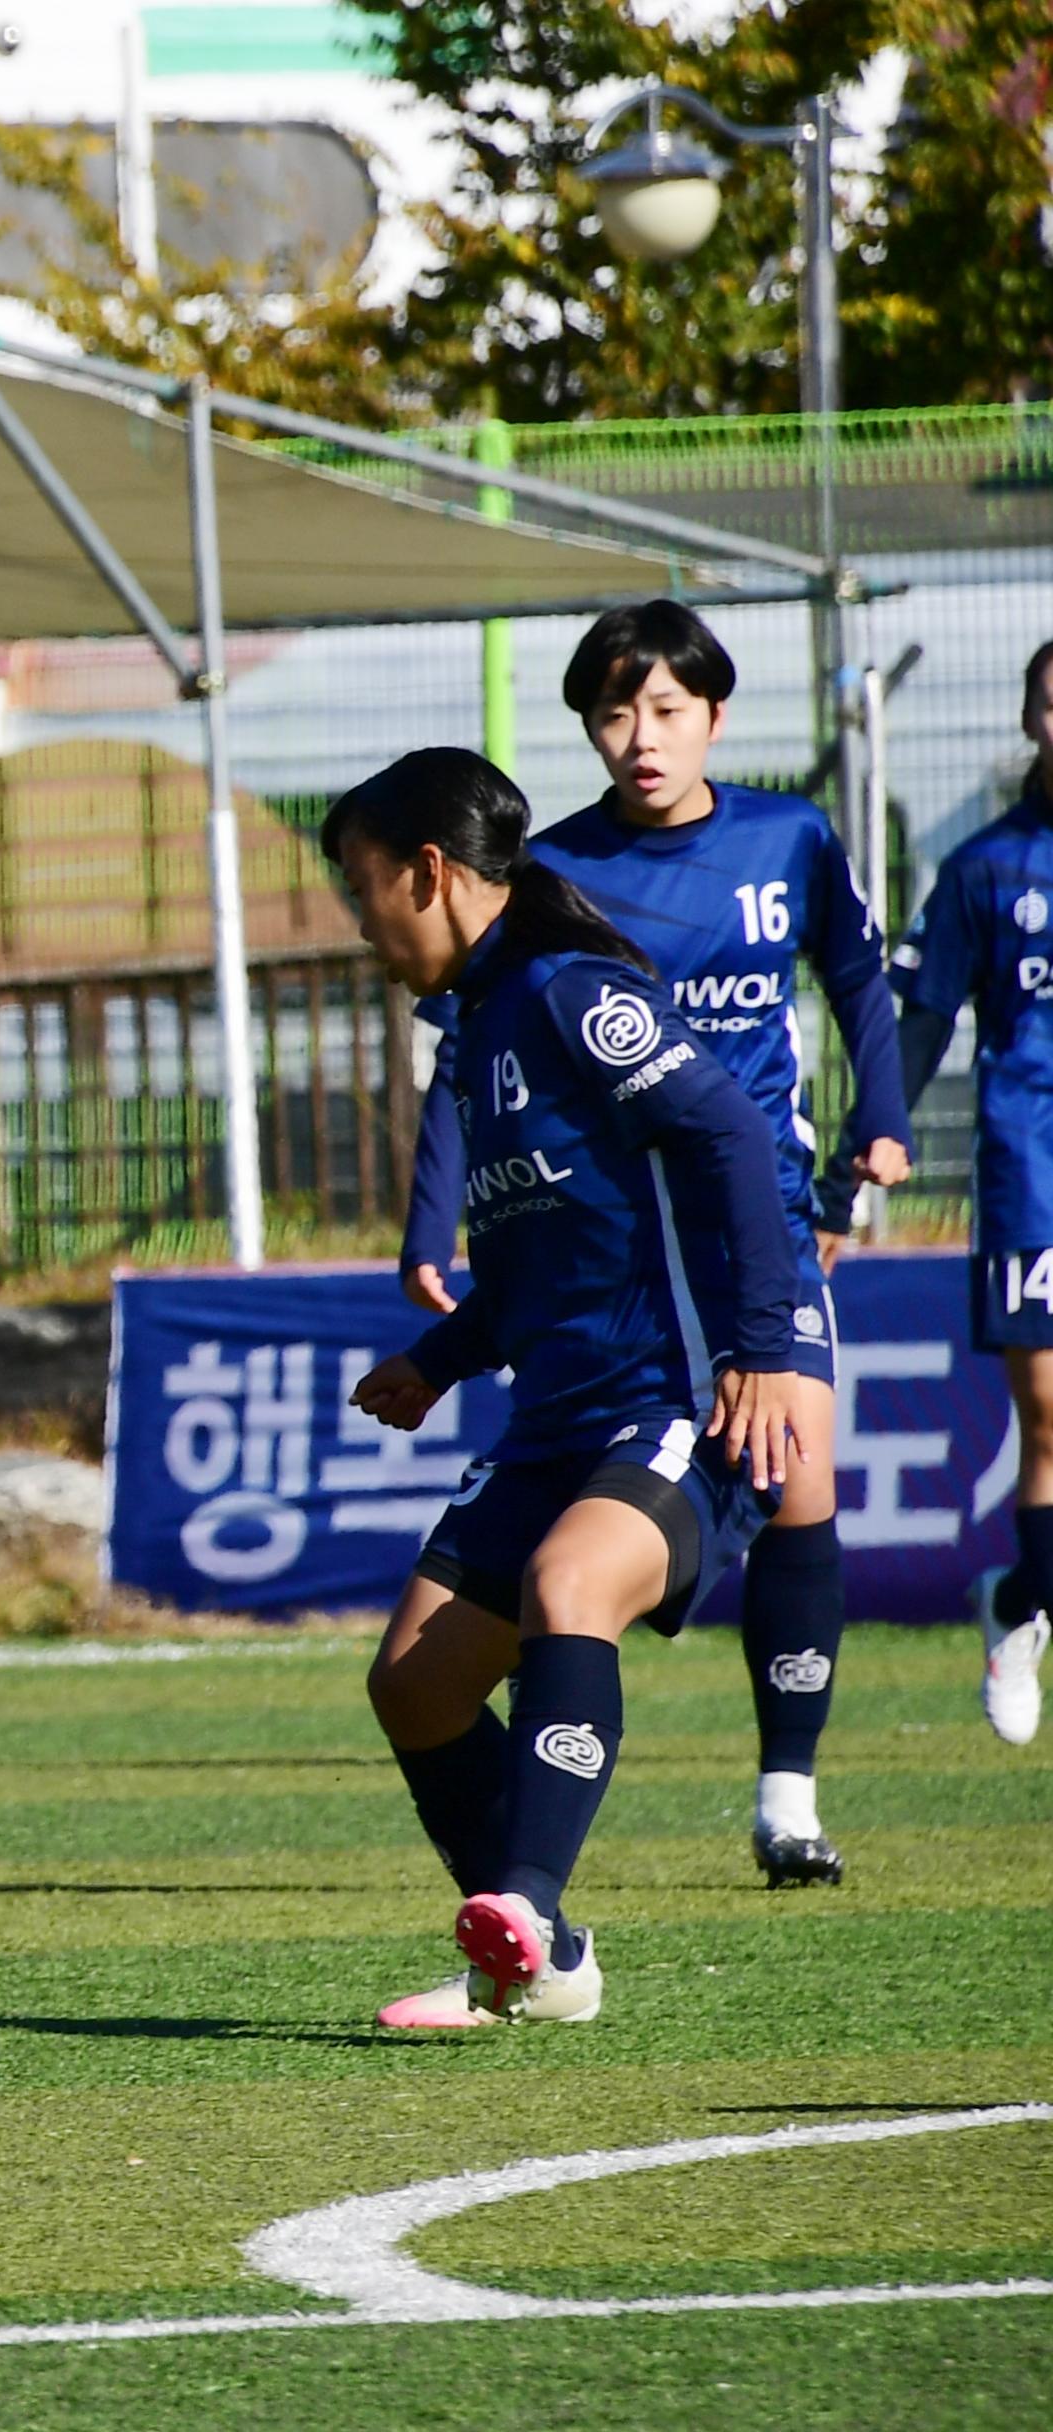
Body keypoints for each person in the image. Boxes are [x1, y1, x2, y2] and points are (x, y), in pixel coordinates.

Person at [397, 602, 908, 1886]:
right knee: (460, 1644)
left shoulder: (787, 835)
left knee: (798, 1479)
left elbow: (854, 979)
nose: (641, 736)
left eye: (667, 709)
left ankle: (785, 1790)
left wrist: (881, 1129)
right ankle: (527, 1900)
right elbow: (471, 1068)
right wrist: (442, 1254)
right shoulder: (551, 885)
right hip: (624, 1247)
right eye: (614, 712)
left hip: (761, 1220)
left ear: (715, 718)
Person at [332, 748, 805, 2030]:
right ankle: (548, 1952)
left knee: (567, 1586)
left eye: (364, 888)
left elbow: (730, 1133)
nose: (363, 922)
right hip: (553, 1415)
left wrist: (762, 1344)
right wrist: (439, 1359)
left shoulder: (568, 991)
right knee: (416, 1685)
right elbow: (542, 1250)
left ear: (429, 872)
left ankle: (525, 1922)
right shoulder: (480, 1026)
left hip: (671, 1400)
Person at [839, 639, 1053, 1746]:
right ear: (1029, 719)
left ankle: (1021, 1597)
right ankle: (1023, 1605)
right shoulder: (985, 869)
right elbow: (918, 1021)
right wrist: (864, 1149)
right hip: (1036, 1166)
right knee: (1052, 1413)